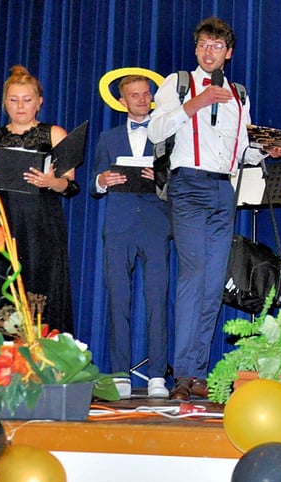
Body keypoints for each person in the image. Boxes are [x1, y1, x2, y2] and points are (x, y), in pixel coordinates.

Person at [147, 17, 281, 401]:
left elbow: (241, 146)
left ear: (228, 53)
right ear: (196, 50)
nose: (209, 52)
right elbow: (155, 131)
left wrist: (266, 151)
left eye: (217, 46)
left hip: (223, 190)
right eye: (203, 46)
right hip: (188, 185)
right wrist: (195, 103)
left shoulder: (239, 94)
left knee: (213, 284)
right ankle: (182, 373)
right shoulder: (176, 84)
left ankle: (197, 372)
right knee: (193, 276)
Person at [0, 65, 77, 335]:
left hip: (41, 224)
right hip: (0, 224)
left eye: (27, 100)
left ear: (39, 102)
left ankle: (42, 360)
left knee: (40, 288)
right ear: (5, 102)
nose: (20, 106)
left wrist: (50, 181)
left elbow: (69, 184)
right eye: (13, 100)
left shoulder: (54, 133)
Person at [90, 75, 172, 399]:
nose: (140, 99)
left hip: (155, 225)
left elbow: (177, 182)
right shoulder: (107, 137)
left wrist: (161, 178)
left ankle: (157, 376)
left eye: (145, 94)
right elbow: (95, 184)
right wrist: (102, 179)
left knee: (157, 301)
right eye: (133, 95)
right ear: (122, 101)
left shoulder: (166, 136)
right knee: (118, 300)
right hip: (119, 225)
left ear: (151, 97)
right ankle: (120, 373)